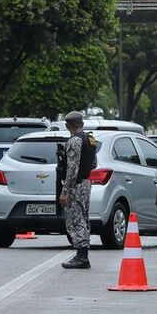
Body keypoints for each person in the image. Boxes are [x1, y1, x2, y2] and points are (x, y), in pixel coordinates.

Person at [60, 111, 96, 269]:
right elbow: (94, 164)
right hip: (86, 183)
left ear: (68, 126)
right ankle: (83, 254)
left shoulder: (74, 141)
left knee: (76, 220)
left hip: (75, 184)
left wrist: (65, 190)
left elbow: (72, 168)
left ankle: (82, 256)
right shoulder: (90, 139)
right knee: (83, 217)